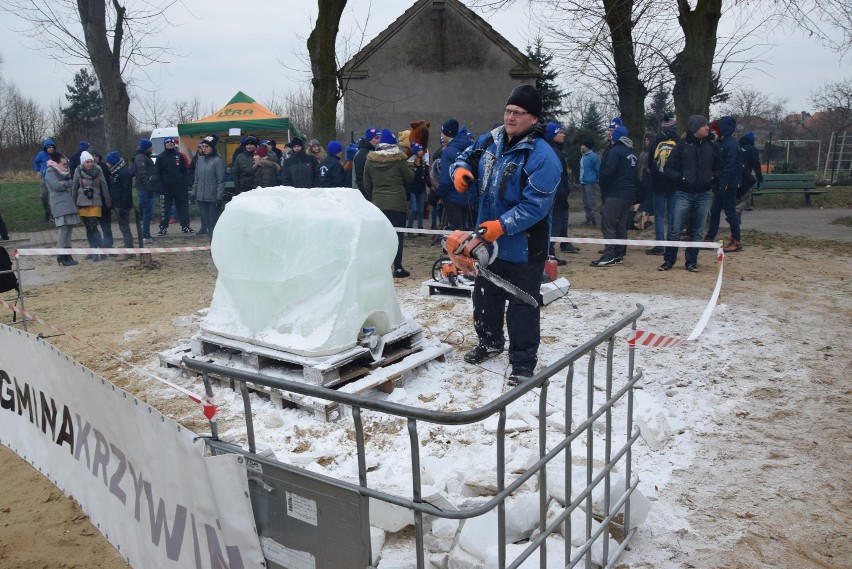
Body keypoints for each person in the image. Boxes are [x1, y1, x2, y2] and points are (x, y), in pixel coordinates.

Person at [451, 84, 561, 384]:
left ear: (534, 119)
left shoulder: (543, 157)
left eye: (518, 113)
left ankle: (523, 362)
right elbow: (465, 155)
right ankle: (489, 342)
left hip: (525, 245)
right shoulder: (490, 140)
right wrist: (459, 171)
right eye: (508, 111)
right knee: (486, 295)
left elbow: (536, 205)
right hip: (487, 241)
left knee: (523, 304)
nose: (510, 117)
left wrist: (504, 224)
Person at [659, 115, 720, 272]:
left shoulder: (712, 146)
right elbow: (669, 168)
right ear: (695, 128)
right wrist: (681, 179)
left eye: (708, 125)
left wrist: (712, 179)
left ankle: (691, 262)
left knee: (698, 232)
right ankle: (669, 260)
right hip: (683, 194)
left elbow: (720, 167)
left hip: (703, 194)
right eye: (704, 125)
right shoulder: (681, 146)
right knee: (675, 229)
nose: (707, 128)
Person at [363, 129, 414, 278]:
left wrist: (374, 196)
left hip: (378, 203)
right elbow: (409, 178)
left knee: (381, 237)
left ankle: (381, 267)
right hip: (397, 203)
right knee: (397, 236)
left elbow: (367, 184)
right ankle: (397, 267)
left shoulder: (370, 161)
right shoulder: (400, 160)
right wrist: (411, 166)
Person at [591, 125, 638, 266]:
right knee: (621, 225)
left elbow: (607, 172)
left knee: (609, 224)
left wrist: (602, 184)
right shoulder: (632, 152)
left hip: (615, 193)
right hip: (628, 194)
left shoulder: (615, 151)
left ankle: (609, 255)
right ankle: (618, 254)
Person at [704, 116, 743, 253]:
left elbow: (729, 166)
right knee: (715, 211)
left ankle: (736, 240)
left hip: (728, 185)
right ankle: (710, 237)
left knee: (730, 212)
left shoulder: (731, 144)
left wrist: (724, 183)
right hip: (722, 184)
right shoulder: (723, 142)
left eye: (714, 129)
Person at [645, 117, 678, 255]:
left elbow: (650, 164)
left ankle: (660, 246)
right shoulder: (678, 142)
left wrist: (656, 176)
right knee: (671, 216)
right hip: (674, 184)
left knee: (658, 216)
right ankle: (670, 245)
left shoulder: (656, 142)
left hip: (659, 184)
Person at [545, 122, 576, 264]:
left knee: (555, 226)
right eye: (560, 133)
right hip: (556, 196)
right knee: (554, 227)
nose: (563, 135)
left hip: (556, 195)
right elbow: (559, 177)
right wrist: (562, 196)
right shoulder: (554, 153)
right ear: (552, 136)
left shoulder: (554, 150)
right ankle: (548, 254)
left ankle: (549, 253)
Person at [72, 150, 111, 261]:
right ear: (82, 163)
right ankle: (92, 250)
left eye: (91, 161)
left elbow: (104, 186)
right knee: (88, 228)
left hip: (95, 202)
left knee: (94, 227)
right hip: (82, 203)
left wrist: (108, 201)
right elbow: (74, 188)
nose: (89, 164)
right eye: (87, 162)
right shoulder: (77, 171)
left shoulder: (98, 170)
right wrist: (73, 204)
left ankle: (101, 251)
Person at [438, 118, 476, 230]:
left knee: (456, 234)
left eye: (442, 131)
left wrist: (442, 194)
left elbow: (445, 179)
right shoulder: (471, 147)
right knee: (470, 234)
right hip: (471, 198)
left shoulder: (448, 151)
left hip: (453, 198)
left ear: (447, 134)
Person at [44, 152, 80, 266]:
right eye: (64, 164)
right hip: (58, 203)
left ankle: (68, 255)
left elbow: (71, 181)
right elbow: (56, 186)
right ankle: (61, 255)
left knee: (69, 229)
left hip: (67, 202)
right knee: (63, 229)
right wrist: (64, 183)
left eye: (66, 164)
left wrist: (63, 183)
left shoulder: (64, 172)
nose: (66, 166)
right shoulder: (50, 171)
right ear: (57, 163)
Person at [154, 137, 192, 235]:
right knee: (165, 209)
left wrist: (186, 182)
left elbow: (184, 171)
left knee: (183, 207)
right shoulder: (160, 157)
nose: (170, 144)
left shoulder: (179, 156)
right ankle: (163, 228)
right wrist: (159, 187)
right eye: (168, 143)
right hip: (166, 189)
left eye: (171, 142)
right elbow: (157, 173)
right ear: (165, 145)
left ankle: (185, 226)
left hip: (180, 188)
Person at [192, 134, 226, 236]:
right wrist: (194, 193)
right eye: (203, 147)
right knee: (206, 222)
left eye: (207, 147)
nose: (204, 149)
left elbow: (221, 180)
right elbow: (197, 178)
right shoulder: (200, 160)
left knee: (212, 224)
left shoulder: (217, 161)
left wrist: (219, 197)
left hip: (212, 198)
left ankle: (214, 245)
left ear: (212, 148)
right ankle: (211, 242)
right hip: (201, 197)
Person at [104, 151, 135, 260]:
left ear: (113, 162)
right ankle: (129, 247)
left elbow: (126, 191)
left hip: (122, 205)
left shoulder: (123, 173)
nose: (106, 164)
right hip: (117, 204)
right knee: (123, 228)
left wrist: (123, 206)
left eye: (108, 162)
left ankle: (128, 250)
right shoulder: (115, 172)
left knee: (125, 228)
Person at [736, 131, 763, 220]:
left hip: (735, 177)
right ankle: (736, 211)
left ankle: (737, 223)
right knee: (746, 200)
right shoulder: (752, 149)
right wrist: (760, 179)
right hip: (746, 178)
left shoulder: (737, 147)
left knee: (738, 199)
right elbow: (756, 164)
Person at [133, 139, 156, 243]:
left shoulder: (144, 157)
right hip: (144, 190)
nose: (152, 148)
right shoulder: (141, 158)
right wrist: (149, 188)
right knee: (147, 213)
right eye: (150, 147)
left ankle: (146, 234)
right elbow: (143, 175)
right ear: (147, 148)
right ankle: (145, 235)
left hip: (146, 188)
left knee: (147, 212)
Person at [405, 142, 429, 235]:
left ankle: (420, 229)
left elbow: (426, 174)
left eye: (422, 150)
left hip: (421, 189)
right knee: (413, 209)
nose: (421, 152)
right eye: (419, 150)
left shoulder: (423, 162)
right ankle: (409, 228)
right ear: (415, 152)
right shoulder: (410, 162)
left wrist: (428, 183)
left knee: (421, 209)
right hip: (412, 189)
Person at [33, 138, 58, 221]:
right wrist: (37, 171)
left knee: (53, 196)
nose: (50, 148)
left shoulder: (56, 155)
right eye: (48, 147)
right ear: (45, 148)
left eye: (52, 147)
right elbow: (35, 161)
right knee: (43, 196)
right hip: (44, 178)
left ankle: (53, 215)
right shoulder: (41, 154)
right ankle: (47, 211)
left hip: (54, 178)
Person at [354, 127, 381, 199]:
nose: (379, 140)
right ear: (369, 139)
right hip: (365, 196)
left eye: (380, 138)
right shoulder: (362, 154)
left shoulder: (377, 151)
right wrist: (368, 197)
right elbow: (360, 178)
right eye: (376, 138)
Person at [579, 139, 600, 225]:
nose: (581, 146)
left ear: (587, 147)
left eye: (583, 145)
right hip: (583, 181)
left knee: (590, 201)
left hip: (590, 182)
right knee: (585, 202)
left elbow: (598, 169)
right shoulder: (583, 156)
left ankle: (593, 219)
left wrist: (598, 179)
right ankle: (588, 218)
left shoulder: (593, 156)